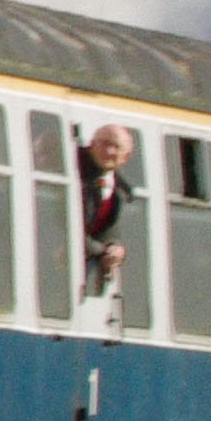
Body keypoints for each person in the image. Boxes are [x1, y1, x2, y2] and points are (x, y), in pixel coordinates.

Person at [78, 123, 136, 297]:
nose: (109, 151)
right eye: (104, 144)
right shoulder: (77, 177)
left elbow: (108, 231)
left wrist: (115, 248)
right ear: (91, 146)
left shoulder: (121, 191)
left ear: (125, 157)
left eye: (116, 147)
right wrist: (101, 250)